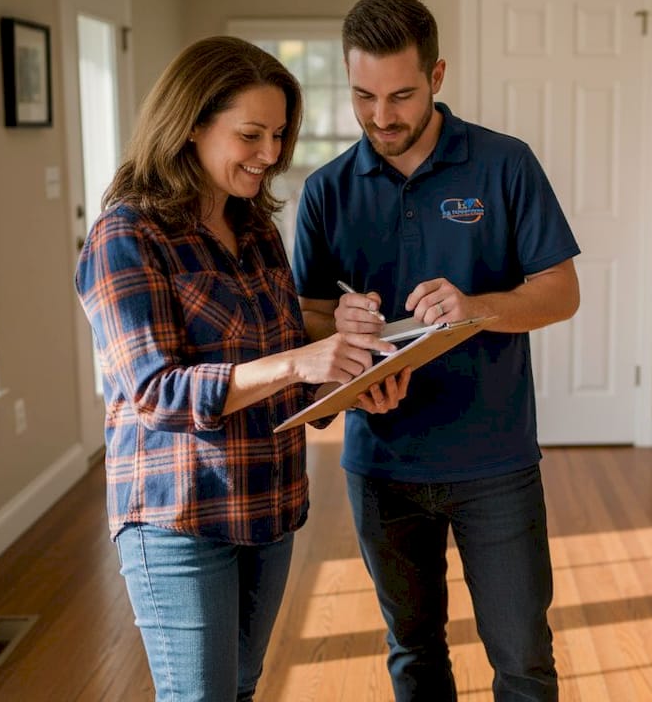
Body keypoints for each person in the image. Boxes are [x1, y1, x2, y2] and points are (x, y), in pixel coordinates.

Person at [74, 36, 409, 701]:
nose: (270, 155)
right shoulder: (125, 236)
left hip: (268, 502)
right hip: (179, 517)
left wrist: (350, 377)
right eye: (250, 134)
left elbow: (287, 365)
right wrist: (301, 358)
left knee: (241, 687)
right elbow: (154, 393)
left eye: (279, 135)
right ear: (192, 125)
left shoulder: (254, 228)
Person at [293, 0, 581, 701]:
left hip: (496, 461)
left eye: (401, 95)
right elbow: (305, 318)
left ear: (438, 76)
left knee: (522, 661)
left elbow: (561, 292)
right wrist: (346, 331)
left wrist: (477, 306)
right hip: (381, 464)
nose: (381, 117)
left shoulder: (505, 164)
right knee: (414, 654)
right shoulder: (326, 191)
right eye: (363, 96)